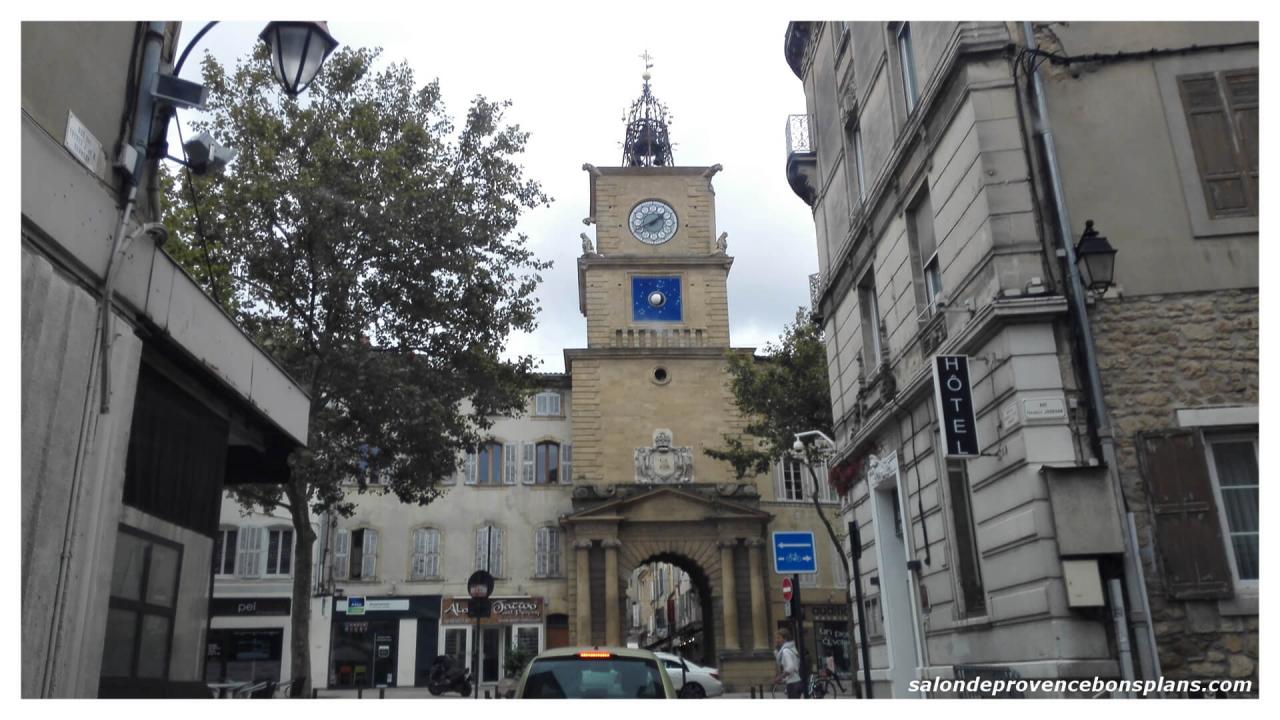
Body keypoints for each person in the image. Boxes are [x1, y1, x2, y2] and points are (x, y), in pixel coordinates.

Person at [774, 628, 803, 698]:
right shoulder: (792, 649)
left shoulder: (786, 651)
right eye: (776, 638)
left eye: (778, 638)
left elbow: (790, 668)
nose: (776, 640)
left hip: (792, 684)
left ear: (785, 639)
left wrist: (780, 677)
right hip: (797, 681)